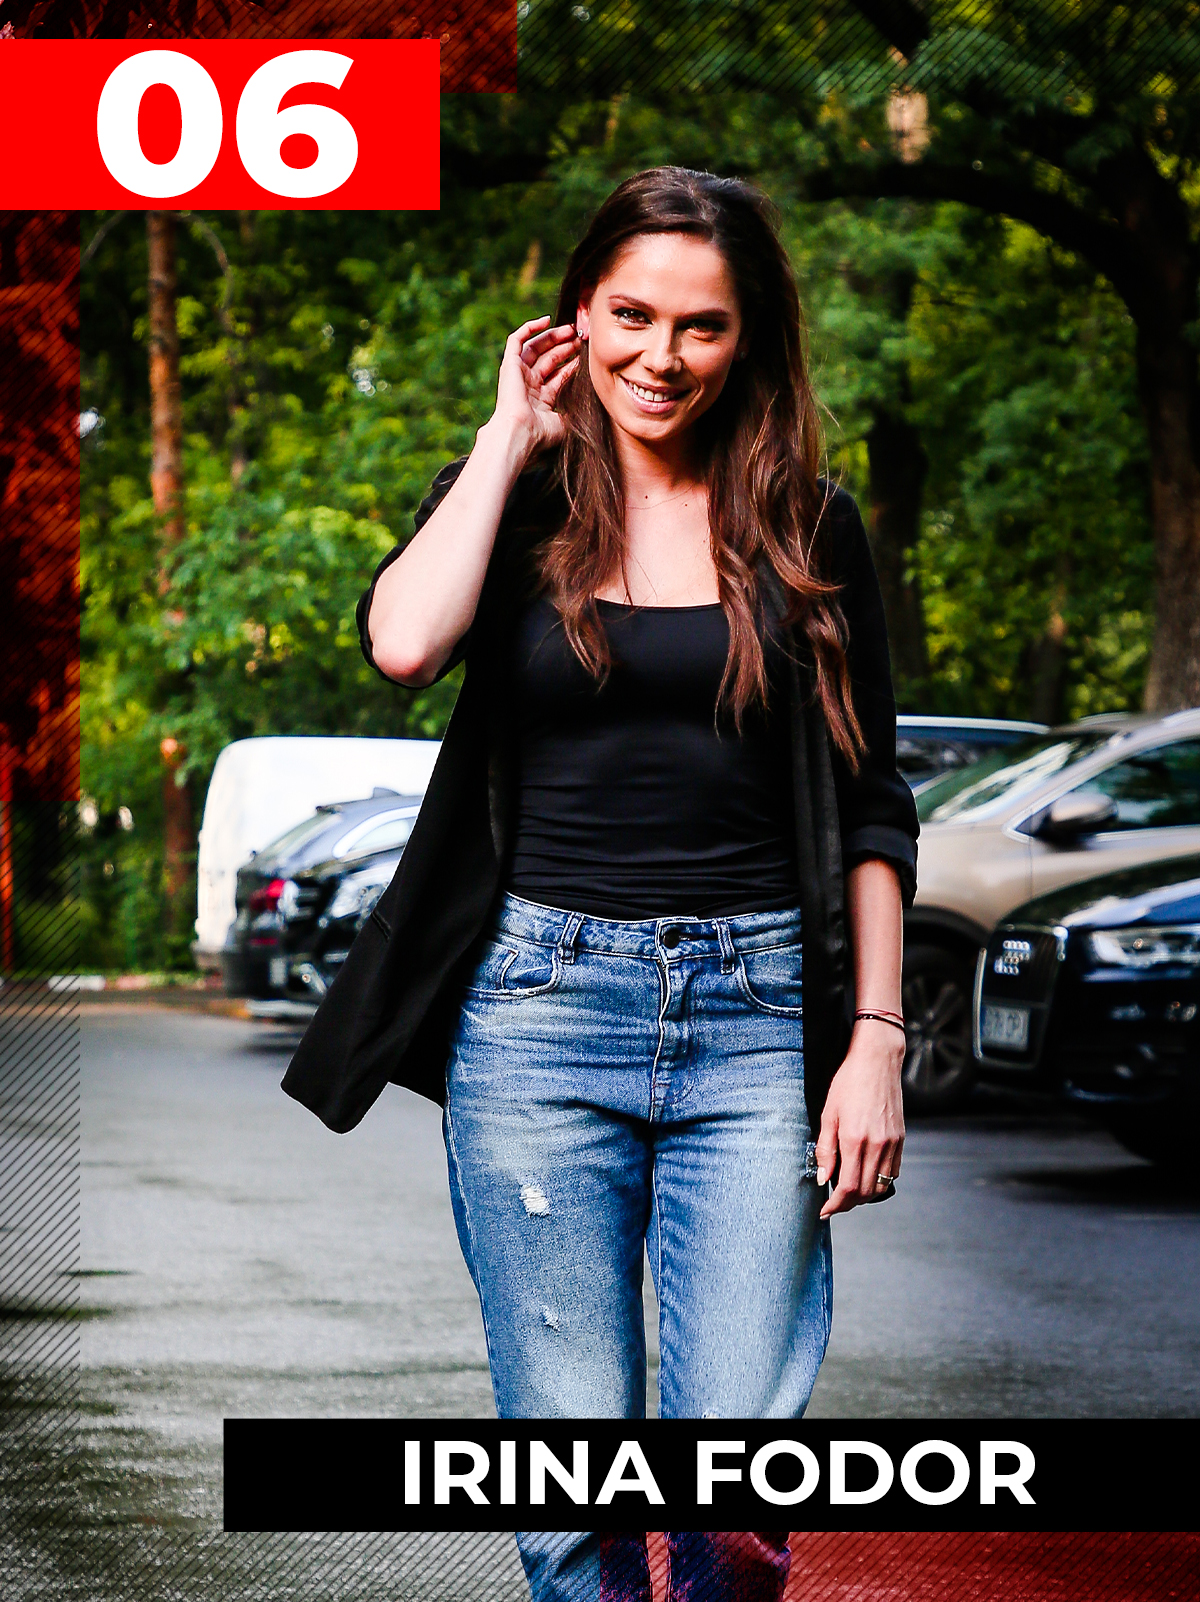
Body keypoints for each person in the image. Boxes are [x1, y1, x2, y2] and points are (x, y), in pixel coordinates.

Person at [282, 167, 918, 1602]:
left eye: (701, 325)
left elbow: (874, 799)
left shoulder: (808, 525)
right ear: (576, 316)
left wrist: (876, 1041)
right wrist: (508, 435)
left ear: (747, 337)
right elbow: (402, 644)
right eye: (631, 315)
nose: (661, 355)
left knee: (735, 1498)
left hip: (760, 1020)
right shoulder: (514, 502)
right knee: (573, 1491)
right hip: (538, 1015)